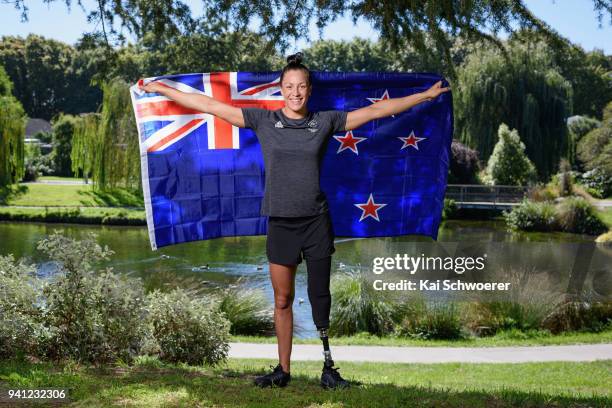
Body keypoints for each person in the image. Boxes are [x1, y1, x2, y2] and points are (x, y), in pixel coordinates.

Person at [139, 53, 450, 389]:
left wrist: (424, 96)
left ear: (309, 89)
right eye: (289, 86)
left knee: (320, 296)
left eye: (301, 86)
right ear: (281, 89)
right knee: (283, 299)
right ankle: (282, 370)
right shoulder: (263, 122)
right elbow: (209, 104)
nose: (295, 92)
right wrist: (159, 87)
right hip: (281, 225)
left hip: (316, 222)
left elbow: (376, 111)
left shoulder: (326, 121)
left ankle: (329, 368)